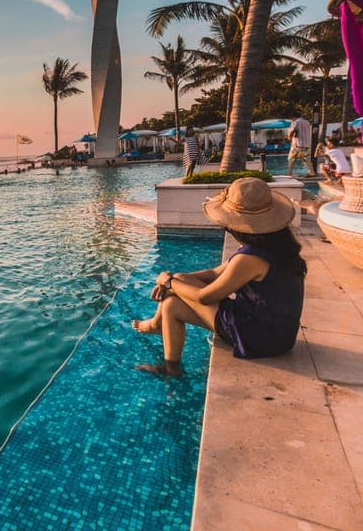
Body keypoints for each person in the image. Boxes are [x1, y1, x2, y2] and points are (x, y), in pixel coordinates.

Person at [131, 177, 306, 376]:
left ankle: (155, 325)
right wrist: (176, 279)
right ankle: (171, 367)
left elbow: (205, 297)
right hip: (277, 333)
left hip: (260, 337)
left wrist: (169, 282)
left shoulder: (251, 259)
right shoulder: (275, 246)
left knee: (176, 290)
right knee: (172, 305)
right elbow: (216, 273)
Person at [287, 112, 314, 177]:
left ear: (294, 117)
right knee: (306, 158)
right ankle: (312, 172)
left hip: (297, 144)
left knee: (291, 158)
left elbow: (291, 132)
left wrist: (289, 137)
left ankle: (289, 173)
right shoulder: (307, 122)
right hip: (306, 144)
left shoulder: (295, 122)